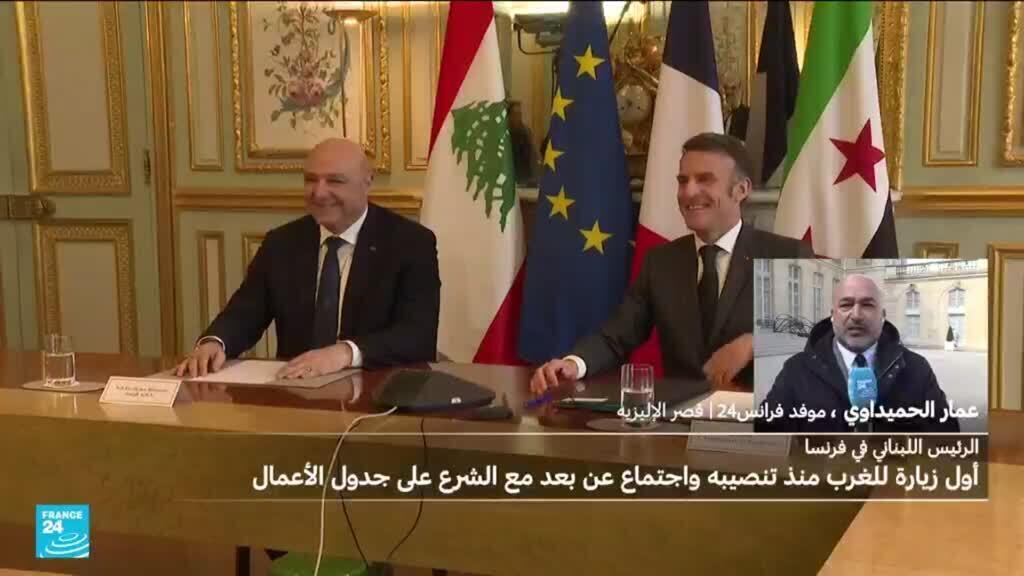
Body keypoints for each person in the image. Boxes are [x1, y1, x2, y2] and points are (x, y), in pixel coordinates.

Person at [529, 132, 813, 395]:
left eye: (704, 180)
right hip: (679, 421)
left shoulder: (787, 254)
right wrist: (573, 364)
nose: (688, 192)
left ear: (741, 190)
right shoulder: (661, 262)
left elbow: (822, 340)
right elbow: (616, 335)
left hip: (762, 421)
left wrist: (754, 343)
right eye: (682, 181)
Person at [176, 138, 440, 379]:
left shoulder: (410, 243)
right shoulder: (282, 243)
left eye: (335, 181)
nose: (319, 193)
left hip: (377, 391)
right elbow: (245, 312)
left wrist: (345, 353)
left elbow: (418, 336)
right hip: (295, 390)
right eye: (311, 180)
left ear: (367, 181)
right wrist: (215, 342)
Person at [758, 274, 960, 432]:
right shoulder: (796, 370)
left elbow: (947, 438)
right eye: (846, 305)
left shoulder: (917, 369)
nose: (856, 315)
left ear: (882, 315)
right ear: (832, 315)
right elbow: (767, 434)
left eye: (867, 305)